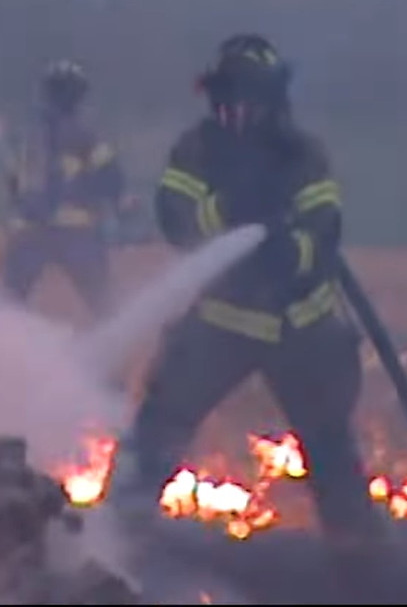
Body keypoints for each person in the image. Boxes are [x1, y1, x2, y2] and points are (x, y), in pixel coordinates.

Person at [114, 34, 382, 551]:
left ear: (272, 99)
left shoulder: (303, 155)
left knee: (329, 448)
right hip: (222, 323)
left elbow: (325, 231)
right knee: (159, 426)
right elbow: (175, 218)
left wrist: (290, 253)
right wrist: (228, 208)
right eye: (227, 98)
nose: (236, 110)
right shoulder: (196, 149)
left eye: (248, 98)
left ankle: (363, 563)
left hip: (300, 329)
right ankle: (113, 538)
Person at [0, 59, 130, 319]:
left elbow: (13, 183)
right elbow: (110, 176)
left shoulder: (26, 139)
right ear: (78, 98)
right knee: (104, 304)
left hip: (28, 231)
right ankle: (112, 341)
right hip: (75, 233)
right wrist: (119, 203)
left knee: (7, 303)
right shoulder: (84, 137)